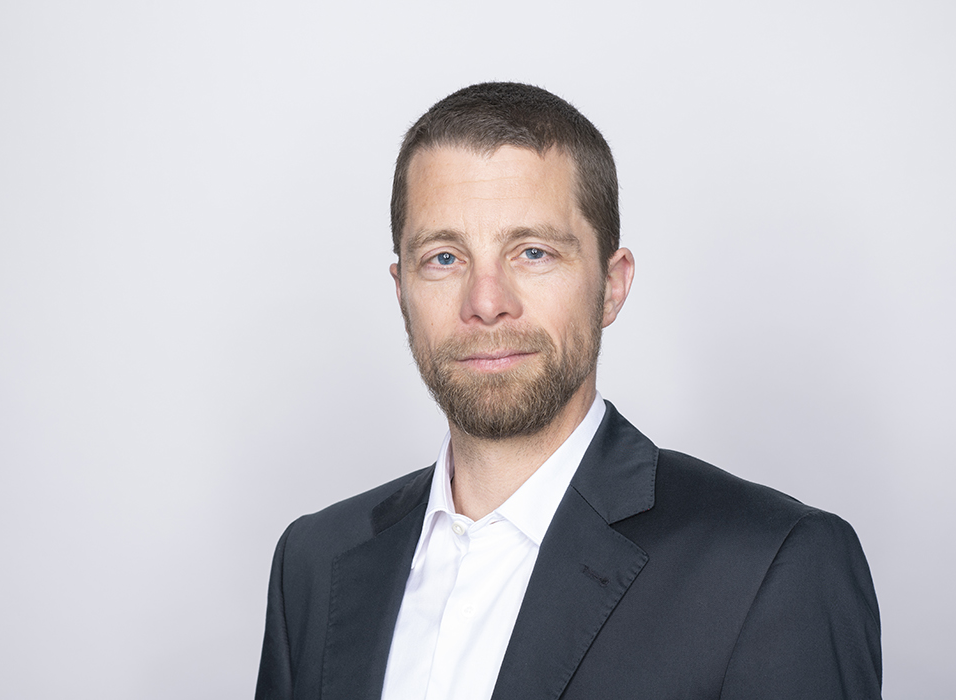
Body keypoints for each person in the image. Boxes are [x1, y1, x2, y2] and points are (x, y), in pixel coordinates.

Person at [253, 83, 881, 700]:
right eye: (444, 258)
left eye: (532, 252)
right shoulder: (314, 563)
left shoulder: (771, 566)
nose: (486, 303)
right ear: (401, 293)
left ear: (612, 286)